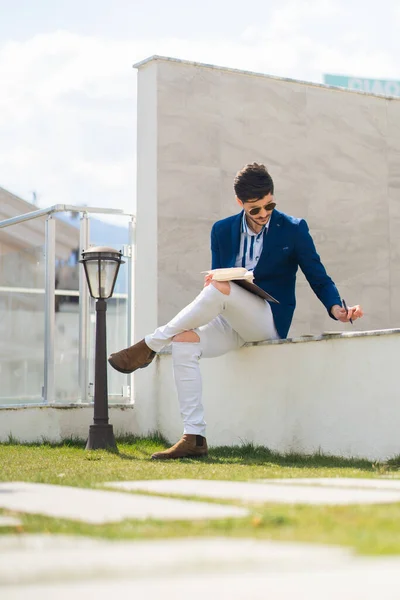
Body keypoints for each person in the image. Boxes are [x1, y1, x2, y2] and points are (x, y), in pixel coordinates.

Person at [109, 163, 363, 459]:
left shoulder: (293, 230)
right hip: (229, 320)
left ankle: (150, 344)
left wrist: (338, 309)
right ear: (240, 203)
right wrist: (215, 282)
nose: (264, 214)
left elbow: (318, 277)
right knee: (185, 341)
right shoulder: (222, 230)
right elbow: (218, 278)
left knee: (218, 288)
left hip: (267, 319)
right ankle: (194, 437)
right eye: (255, 209)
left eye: (270, 205)